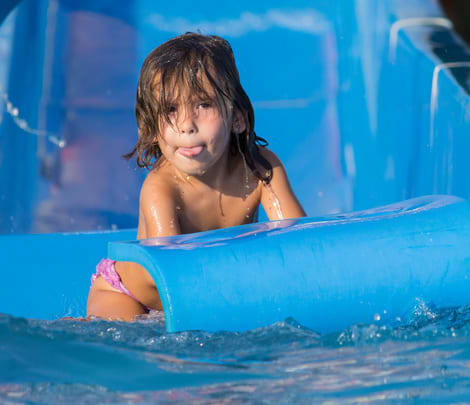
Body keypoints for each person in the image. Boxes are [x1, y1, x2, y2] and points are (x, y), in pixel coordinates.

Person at [85, 32, 306, 321]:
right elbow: (173, 277)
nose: (187, 125)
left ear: (237, 117)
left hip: (193, 290)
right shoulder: (161, 188)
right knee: (132, 343)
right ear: (152, 127)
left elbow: (301, 240)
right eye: (170, 109)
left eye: (203, 105)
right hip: (127, 294)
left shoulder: (261, 170)